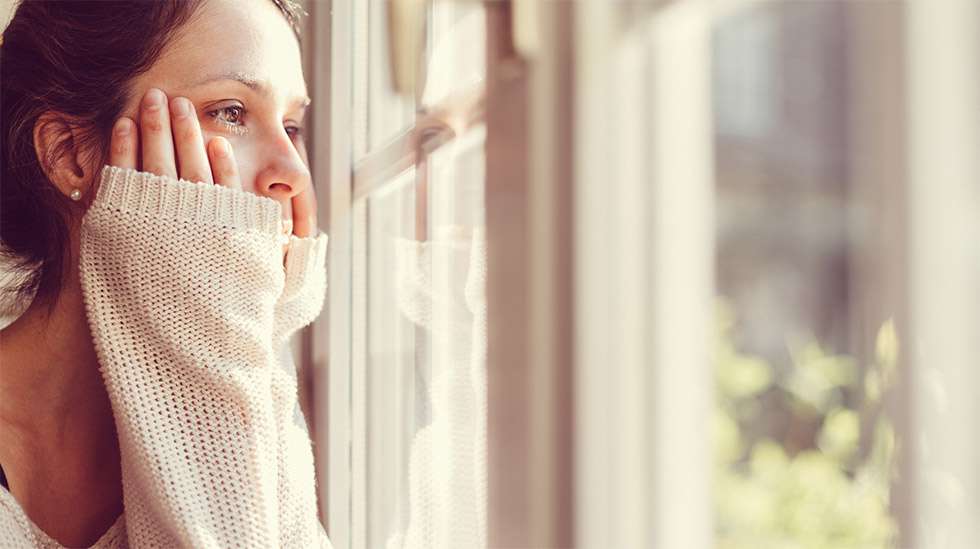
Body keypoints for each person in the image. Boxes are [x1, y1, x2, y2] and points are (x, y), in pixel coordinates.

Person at [0, 0, 332, 547]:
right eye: (230, 111)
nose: (293, 173)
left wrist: (244, 345)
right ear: (68, 155)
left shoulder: (256, 407)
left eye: (291, 125)